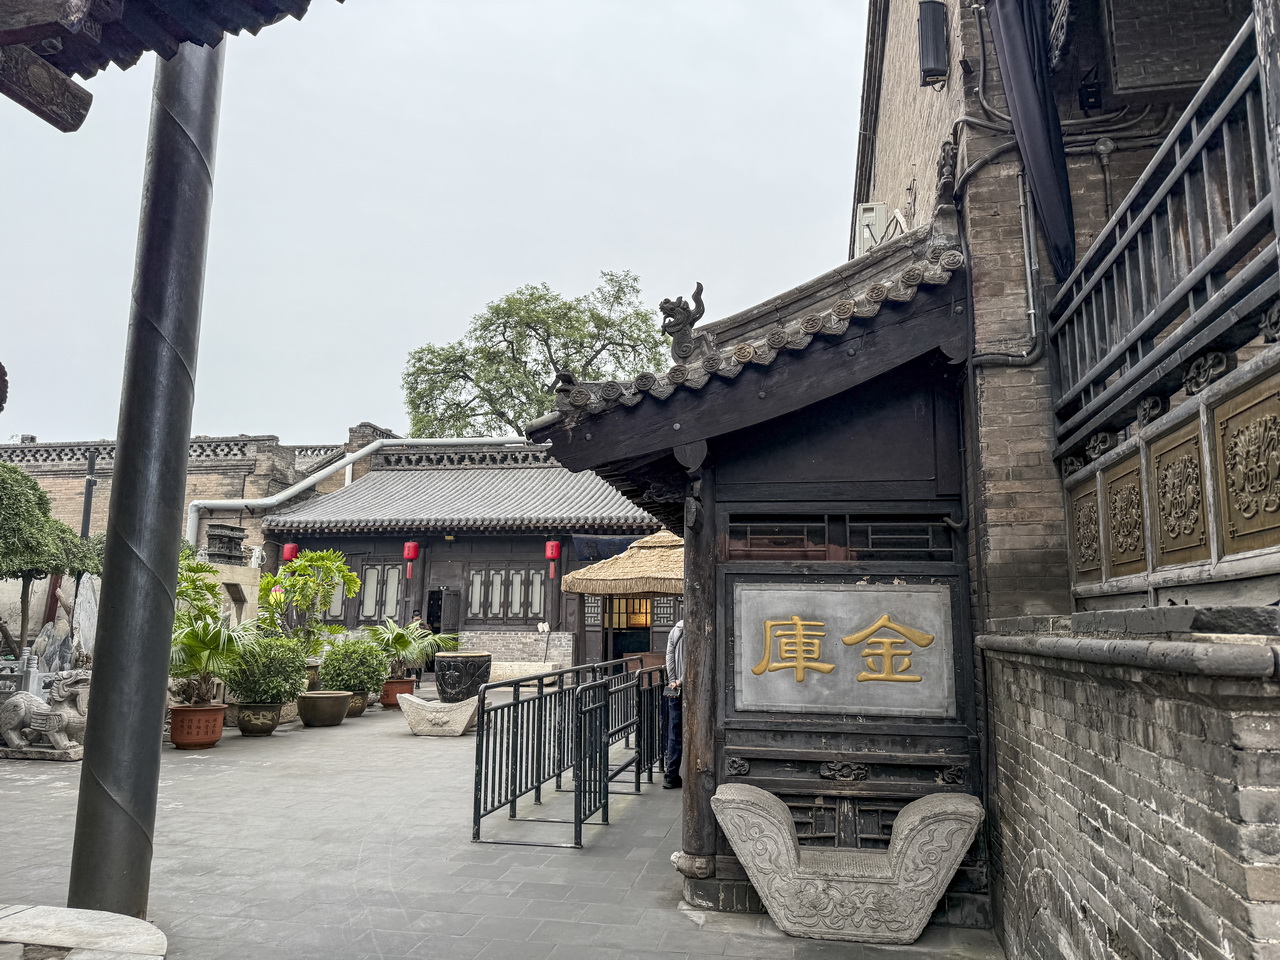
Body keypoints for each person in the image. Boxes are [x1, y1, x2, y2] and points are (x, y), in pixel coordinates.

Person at [663, 619, 685, 789]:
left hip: (675, 688)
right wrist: (682, 680)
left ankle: (671, 774)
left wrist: (673, 681)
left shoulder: (675, 630)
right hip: (691, 688)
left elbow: (669, 657)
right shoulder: (696, 629)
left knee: (674, 731)